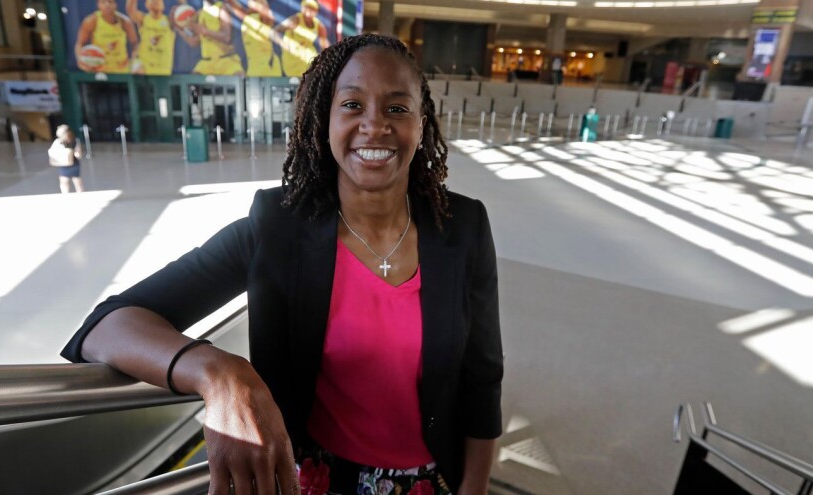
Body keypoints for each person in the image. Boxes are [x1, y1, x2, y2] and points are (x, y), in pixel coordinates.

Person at [61, 34, 502, 495]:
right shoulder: (277, 227)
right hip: (312, 478)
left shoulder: (463, 227)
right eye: (352, 105)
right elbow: (106, 326)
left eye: (397, 108)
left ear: (421, 124)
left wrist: (474, 488)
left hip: (430, 480)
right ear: (324, 121)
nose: (375, 125)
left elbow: (483, 376)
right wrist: (218, 372)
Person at [177, 0, 245, 75]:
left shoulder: (221, 8)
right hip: (206, 62)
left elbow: (226, 37)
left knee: (240, 79)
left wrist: (204, 31)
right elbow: (194, 42)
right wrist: (179, 28)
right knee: (191, 80)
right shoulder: (199, 13)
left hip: (226, 60)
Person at [75, 0, 139, 74]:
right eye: (103, 2)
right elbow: (80, 43)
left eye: (110, 2)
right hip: (99, 70)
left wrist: (134, 62)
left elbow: (135, 44)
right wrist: (80, 60)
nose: (107, 5)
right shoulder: (91, 21)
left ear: (115, 4)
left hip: (122, 70)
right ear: (98, 5)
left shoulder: (125, 22)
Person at [276, 0, 329, 77]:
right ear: (302, 8)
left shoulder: (320, 26)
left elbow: (325, 46)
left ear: (316, 11)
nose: (308, 11)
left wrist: (324, 59)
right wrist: (283, 44)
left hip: (308, 57)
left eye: (312, 8)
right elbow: (274, 32)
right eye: (306, 7)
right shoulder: (295, 19)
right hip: (292, 58)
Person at [229, 0, 282, 76]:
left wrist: (281, 42)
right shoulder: (248, 18)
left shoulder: (261, 18)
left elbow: (272, 33)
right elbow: (237, 8)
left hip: (266, 65)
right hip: (255, 65)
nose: (249, 2)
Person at [126, 0, 176, 75]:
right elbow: (130, 10)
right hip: (144, 65)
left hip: (163, 68)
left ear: (163, 6)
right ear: (146, 4)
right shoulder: (143, 18)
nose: (155, 1)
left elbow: (183, 18)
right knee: (136, 70)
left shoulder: (169, 21)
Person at [50, 125, 84, 194]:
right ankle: (78, 194)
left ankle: (67, 195)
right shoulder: (74, 140)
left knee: (67, 181)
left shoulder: (59, 141)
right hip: (70, 163)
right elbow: (78, 155)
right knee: (74, 181)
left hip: (67, 163)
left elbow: (52, 151)